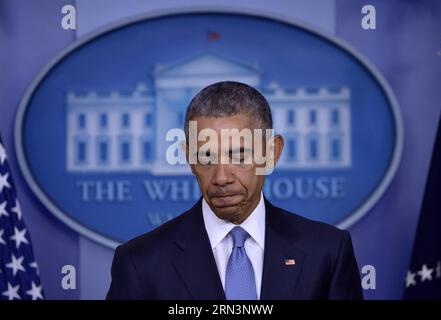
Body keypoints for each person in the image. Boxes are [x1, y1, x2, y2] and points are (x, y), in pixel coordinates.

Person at [106, 81, 363, 300]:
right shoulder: (140, 263)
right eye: (206, 157)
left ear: (271, 152)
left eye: (239, 156)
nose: (221, 177)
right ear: (188, 157)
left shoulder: (328, 252)